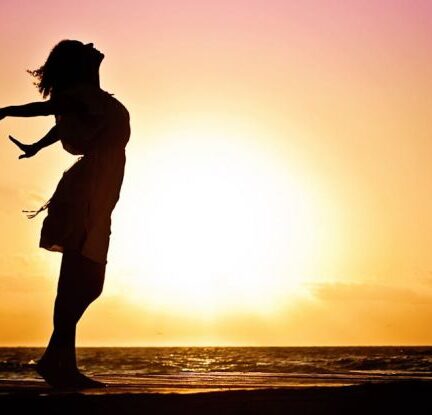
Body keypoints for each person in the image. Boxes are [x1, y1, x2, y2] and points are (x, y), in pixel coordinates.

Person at [0, 40, 130, 388]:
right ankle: (59, 363)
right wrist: (6, 111)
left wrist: (36, 147)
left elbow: (63, 122)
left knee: (84, 281)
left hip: (97, 191)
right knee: (82, 279)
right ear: (79, 63)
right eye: (84, 47)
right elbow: (46, 110)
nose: (92, 44)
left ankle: (56, 360)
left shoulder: (92, 97)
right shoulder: (80, 94)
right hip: (86, 192)